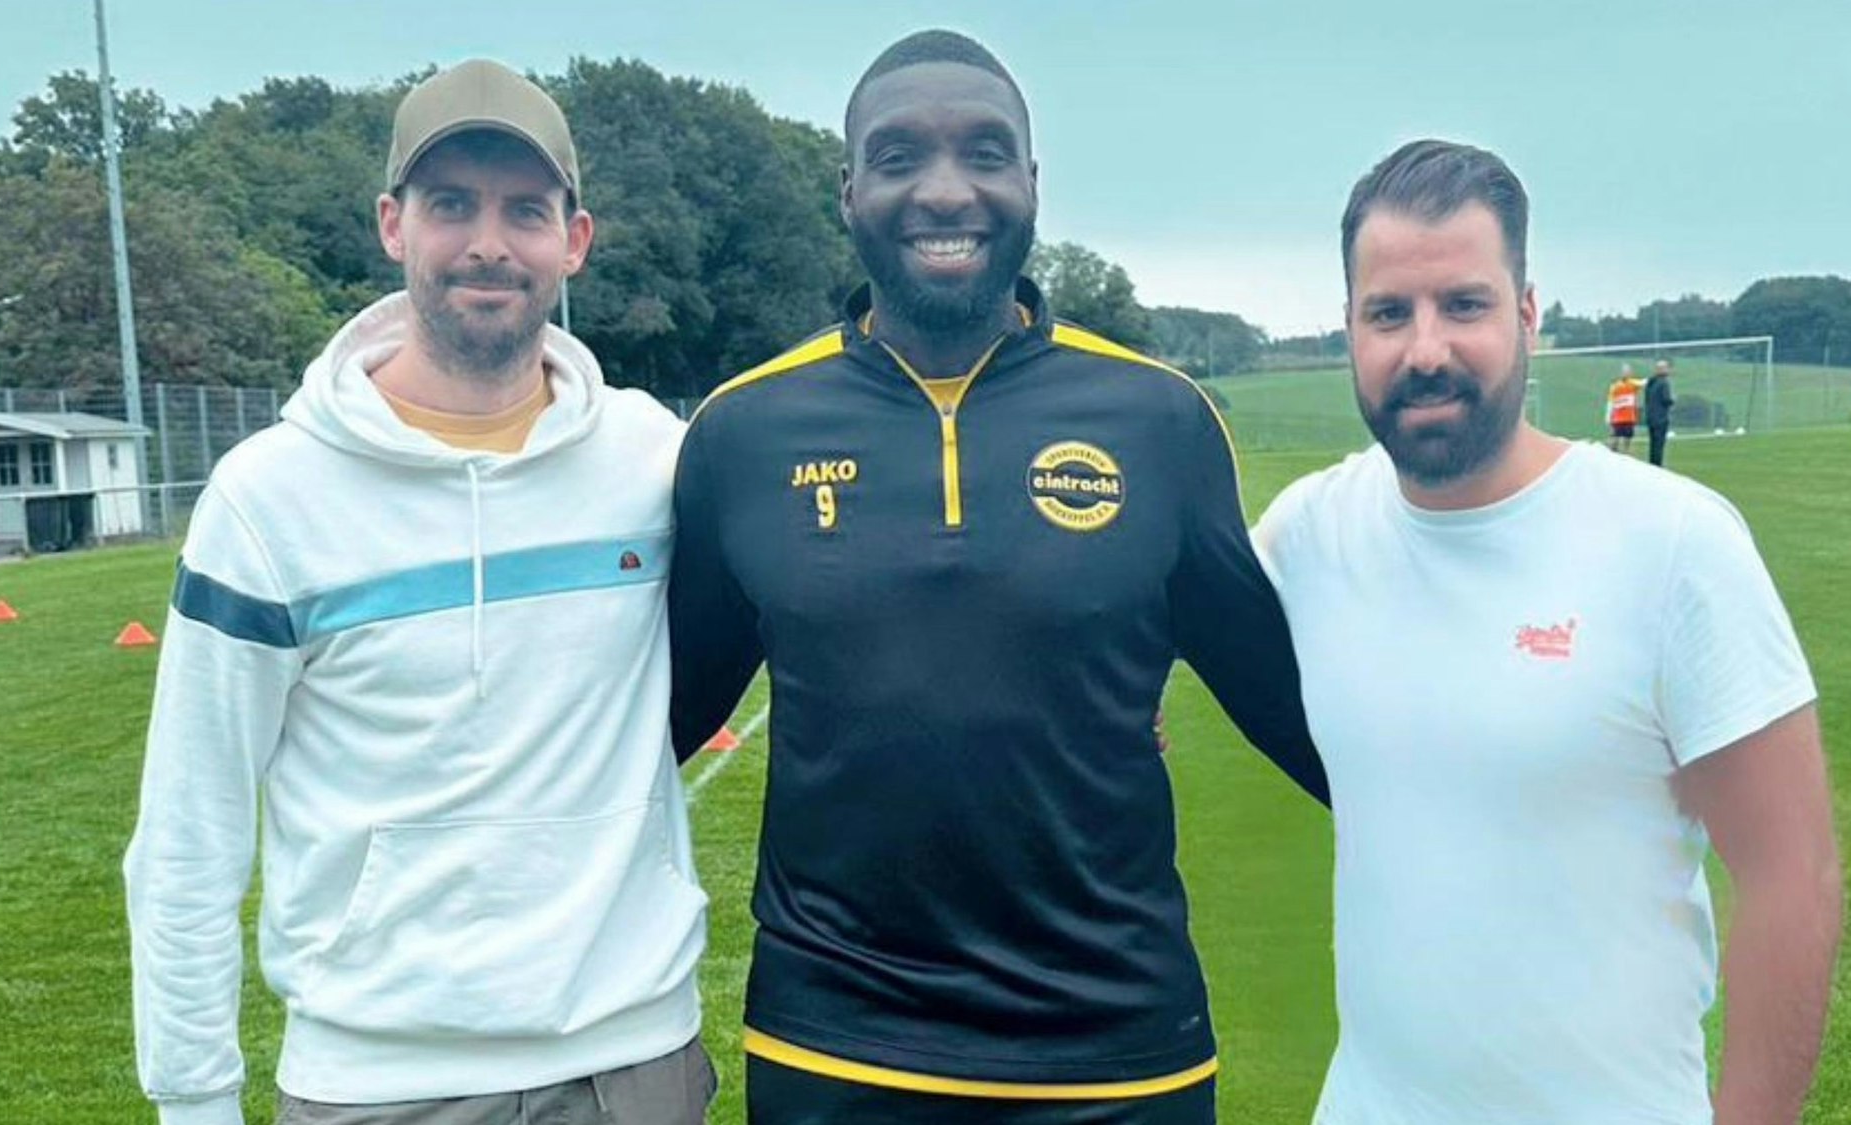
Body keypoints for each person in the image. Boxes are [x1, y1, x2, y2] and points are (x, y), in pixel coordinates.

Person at [668, 29, 1328, 1125]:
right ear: (846, 190)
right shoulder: (743, 432)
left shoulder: (1157, 419)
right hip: (837, 1047)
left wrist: (1519, 847)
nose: (944, 191)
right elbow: (654, 727)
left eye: (983, 152)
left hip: (1120, 1054)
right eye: (896, 158)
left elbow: (1294, 712)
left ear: (1030, 182)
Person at [123, 60, 713, 1125]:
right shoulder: (268, 498)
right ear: (393, 225)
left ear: (572, 241)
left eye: (524, 210)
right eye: (452, 205)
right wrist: (194, 1101)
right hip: (375, 1088)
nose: (488, 242)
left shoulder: (653, 460)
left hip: (634, 1066)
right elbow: (188, 833)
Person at [1250, 139, 1842, 1125]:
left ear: (1527, 314)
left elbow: (1792, 878)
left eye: (1464, 305)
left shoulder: (1669, 543)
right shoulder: (1306, 535)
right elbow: (1121, 640)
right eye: (1387, 312)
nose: (1424, 348)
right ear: (1346, 328)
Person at [1644, 356, 1676, 465]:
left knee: (1652, 444)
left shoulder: (1650, 383)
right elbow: (1666, 399)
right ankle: (1657, 465)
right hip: (1661, 418)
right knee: (1659, 444)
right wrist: (1672, 401)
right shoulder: (1664, 383)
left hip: (1650, 417)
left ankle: (1652, 464)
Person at [1604, 363, 1641, 453]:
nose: (1626, 374)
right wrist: (1608, 417)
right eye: (1624, 372)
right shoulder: (1615, 386)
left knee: (1628, 440)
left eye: (1628, 372)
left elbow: (1645, 382)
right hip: (1617, 418)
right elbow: (1610, 402)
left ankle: (1626, 456)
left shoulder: (1633, 383)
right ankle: (1612, 454)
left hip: (1629, 418)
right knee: (1614, 440)